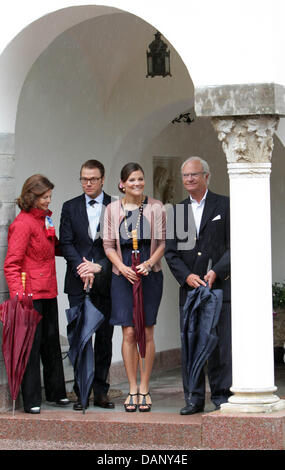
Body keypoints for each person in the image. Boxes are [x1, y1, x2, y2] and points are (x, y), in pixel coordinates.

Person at [164, 156, 231, 415]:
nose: (189, 179)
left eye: (194, 174)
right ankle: (193, 398)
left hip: (218, 288)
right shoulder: (178, 211)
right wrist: (187, 276)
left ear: (206, 176)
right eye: (186, 176)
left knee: (218, 344)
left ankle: (222, 395)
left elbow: (233, 245)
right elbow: (171, 253)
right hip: (190, 290)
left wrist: (217, 270)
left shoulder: (224, 205)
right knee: (191, 343)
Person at [4, 174, 70, 414]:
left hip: (48, 290)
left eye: (49, 196)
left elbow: (56, 247)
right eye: (44, 197)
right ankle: (31, 399)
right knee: (30, 347)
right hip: (30, 294)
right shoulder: (22, 224)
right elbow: (11, 263)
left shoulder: (46, 220)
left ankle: (56, 392)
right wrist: (18, 294)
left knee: (51, 343)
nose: (48, 201)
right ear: (32, 196)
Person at [103, 162, 166, 412]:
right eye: (131, 180)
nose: (137, 184)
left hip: (149, 273)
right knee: (128, 332)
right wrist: (122, 266)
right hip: (123, 274)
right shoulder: (111, 209)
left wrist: (150, 263)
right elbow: (108, 246)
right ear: (122, 184)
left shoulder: (156, 206)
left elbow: (162, 243)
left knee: (147, 331)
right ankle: (131, 387)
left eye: (140, 179)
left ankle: (144, 387)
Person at [59, 159, 114, 411]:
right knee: (80, 337)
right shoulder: (69, 207)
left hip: (106, 279)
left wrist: (98, 266)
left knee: (103, 338)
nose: (88, 183)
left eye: (92, 179)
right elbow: (66, 243)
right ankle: (81, 391)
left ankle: (101, 392)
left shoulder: (116, 205)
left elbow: (119, 244)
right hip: (77, 279)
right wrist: (82, 267)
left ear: (103, 179)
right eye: (84, 178)